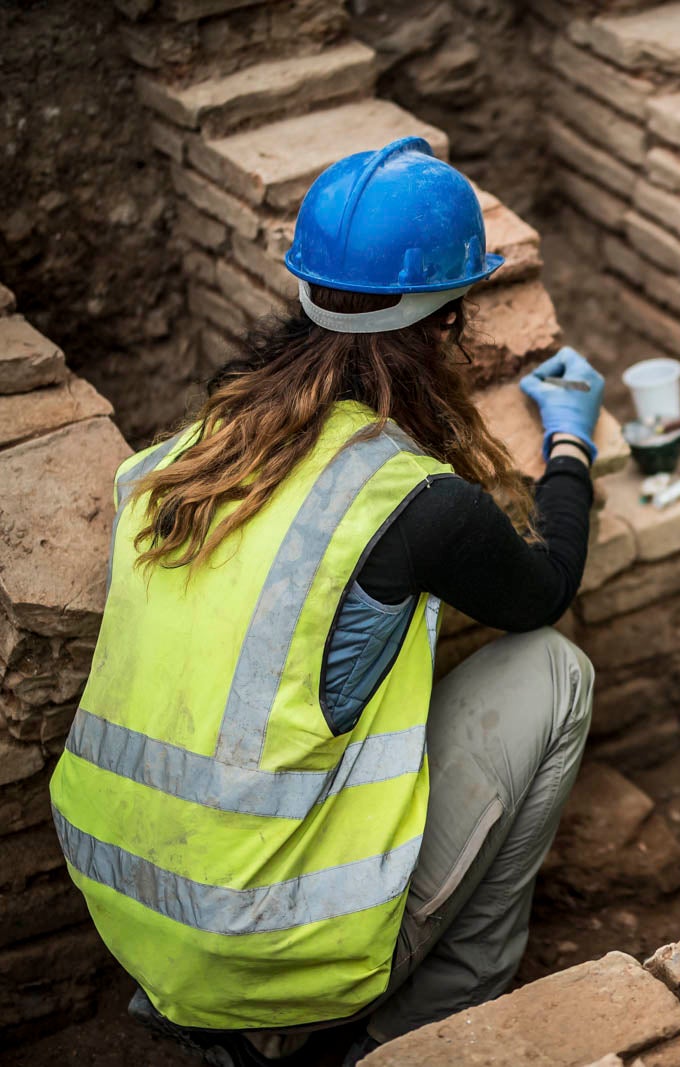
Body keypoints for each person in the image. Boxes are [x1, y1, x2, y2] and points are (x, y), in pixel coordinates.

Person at [49, 137, 609, 1064]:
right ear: (448, 321)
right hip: (278, 945)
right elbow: (543, 591)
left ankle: (235, 1024)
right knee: (554, 672)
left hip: (129, 908)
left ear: (309, 293)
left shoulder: (178, 459)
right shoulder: (415, 503)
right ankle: (416, 1030)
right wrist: (571, 446)